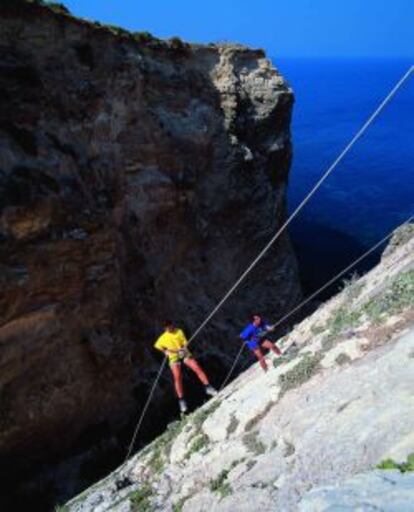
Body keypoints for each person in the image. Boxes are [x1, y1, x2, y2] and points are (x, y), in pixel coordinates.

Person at [154, 320, 217, 413]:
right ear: (164, 329)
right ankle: (181, 400)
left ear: (172, 325)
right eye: (166, 328)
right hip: (173, 358)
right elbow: (157, 346)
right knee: (177, 377)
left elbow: (184, 343)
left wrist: (183, 348)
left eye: (169, 326)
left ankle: (208, 387)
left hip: (183, 353)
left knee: (196, 367)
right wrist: (165, 351)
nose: (169, 328)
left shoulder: (179, 331)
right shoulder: (162, 338)